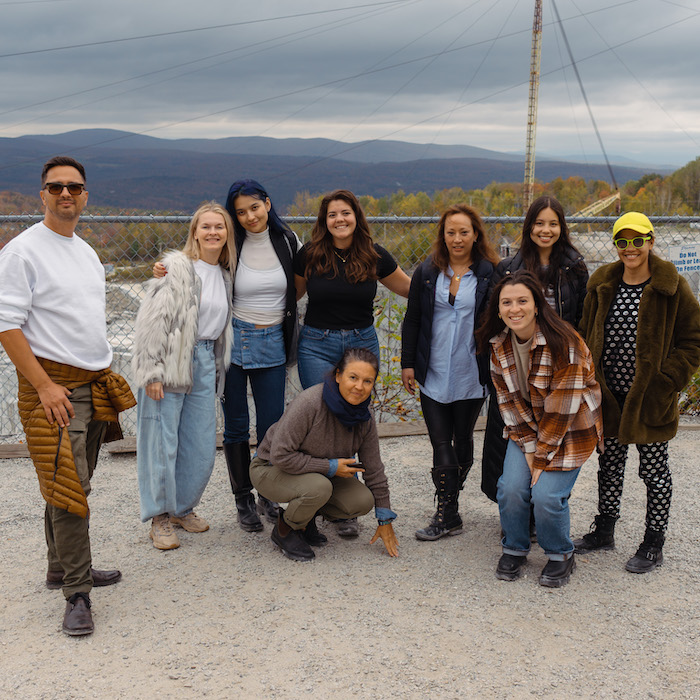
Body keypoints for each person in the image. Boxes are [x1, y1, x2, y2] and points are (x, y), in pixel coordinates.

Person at [0, 156, 136, 636]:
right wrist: (43, 386)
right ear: (42, 195)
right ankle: (77, 593)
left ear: (84, 195)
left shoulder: (83, 251)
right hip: (53, 389)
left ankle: (61, 565)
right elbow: (6, 325)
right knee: (70, 488)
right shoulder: (22, 253)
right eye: (55, 187)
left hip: (91, 385)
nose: (65, 194)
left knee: (69, 483)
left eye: (74, 187)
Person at [153, 179, 301, 534]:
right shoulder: (233, 245)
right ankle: (243, 498)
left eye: (254, 207)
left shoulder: (288, 241)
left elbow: (300, 284)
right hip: (233, 340)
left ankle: (269, 492)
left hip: (273, 341)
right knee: (235, 424)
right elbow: (196, 261)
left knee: (271, 424)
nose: (249, 216)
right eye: (240, 211)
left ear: (267, 203)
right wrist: (165, 269)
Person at [573, 212, 700, 573]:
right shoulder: (601, 285)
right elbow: (585, 333)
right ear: (615, 245)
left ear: (651, 240)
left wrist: (668, 380)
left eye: (637, 240)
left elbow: (693, 340)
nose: (631, 248)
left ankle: (653, 541)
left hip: (650, 399)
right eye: (623, 241)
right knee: (609, 465)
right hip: (609, 397)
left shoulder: (672, 287)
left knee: (655, 471)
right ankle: (605, 531)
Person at [476, 271, 602, 587]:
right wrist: (530, 452)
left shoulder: (565, 344)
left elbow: (562, 413)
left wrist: (541, 459)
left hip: (570, 431)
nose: (514, 309)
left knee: (545, 496)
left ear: (537, 306)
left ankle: (560, 554)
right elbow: (509, 405)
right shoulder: (499, 345)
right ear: (499, 308)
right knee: (510, 487)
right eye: (507, 302)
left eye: (522, 301)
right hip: (529, 429)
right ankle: (515, 548)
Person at [294, 190, 409, 537]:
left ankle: (345, 507)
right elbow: (290, 295)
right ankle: (311, 501)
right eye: (332, 215)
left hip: (361, 345)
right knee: (318, 419)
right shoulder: (309, 255)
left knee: (352, 419)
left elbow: (413, 287)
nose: (339, 220)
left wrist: (460, 284)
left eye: (345, 213)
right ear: (323, 221)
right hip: (317, 344)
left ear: (356, 216)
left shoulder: (375, 256)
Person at [134, 202, 236, 550]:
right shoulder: (176, 268)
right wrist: (152, 372)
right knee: (162, 440)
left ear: (227, 233)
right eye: (205, 226)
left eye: (219, 227)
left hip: (206, 359)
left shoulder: (226, 273)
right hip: (173, 357)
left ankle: (182, 508)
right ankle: (159, 518)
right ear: (194, 231)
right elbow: (152, 320)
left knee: (200, 441)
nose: (212, 232)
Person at [481, 195, 589, 504]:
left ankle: (545, 504)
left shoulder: (575, 267)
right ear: (529, 226)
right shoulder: (507, 268)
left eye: (553, 224)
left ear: (561, 228)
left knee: (553, 435)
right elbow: (493, 318)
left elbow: (581, 317)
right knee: (509, 437)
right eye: (539, 223)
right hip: (516, 362)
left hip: (558, 365)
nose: (546, 230)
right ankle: (511, 507)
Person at [401, 204, 498, 541]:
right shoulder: (427, 272)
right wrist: (407, 362)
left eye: (464, 232)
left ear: (476, 235)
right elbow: (412, 318)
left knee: (463, 437)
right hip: (434, 367)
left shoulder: (490, 273)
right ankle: (447, 511)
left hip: (471, 370)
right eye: (450, 232)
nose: (457, 239)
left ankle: (450, 498)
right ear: (443, 235)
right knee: (440, 440)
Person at [249, 348, 399, 562]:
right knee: (319, 488)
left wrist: (385, 518)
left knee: (361, 500)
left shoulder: (365, 417)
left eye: (367, 381)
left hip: (317, 473)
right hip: (270, 468)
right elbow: (280, 455)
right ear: (338, 376)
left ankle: (305, 519)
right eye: (353, 377)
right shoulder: (310, 403)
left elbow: (374, 469)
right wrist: (329, 467)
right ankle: (286, 529)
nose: (359, 387)